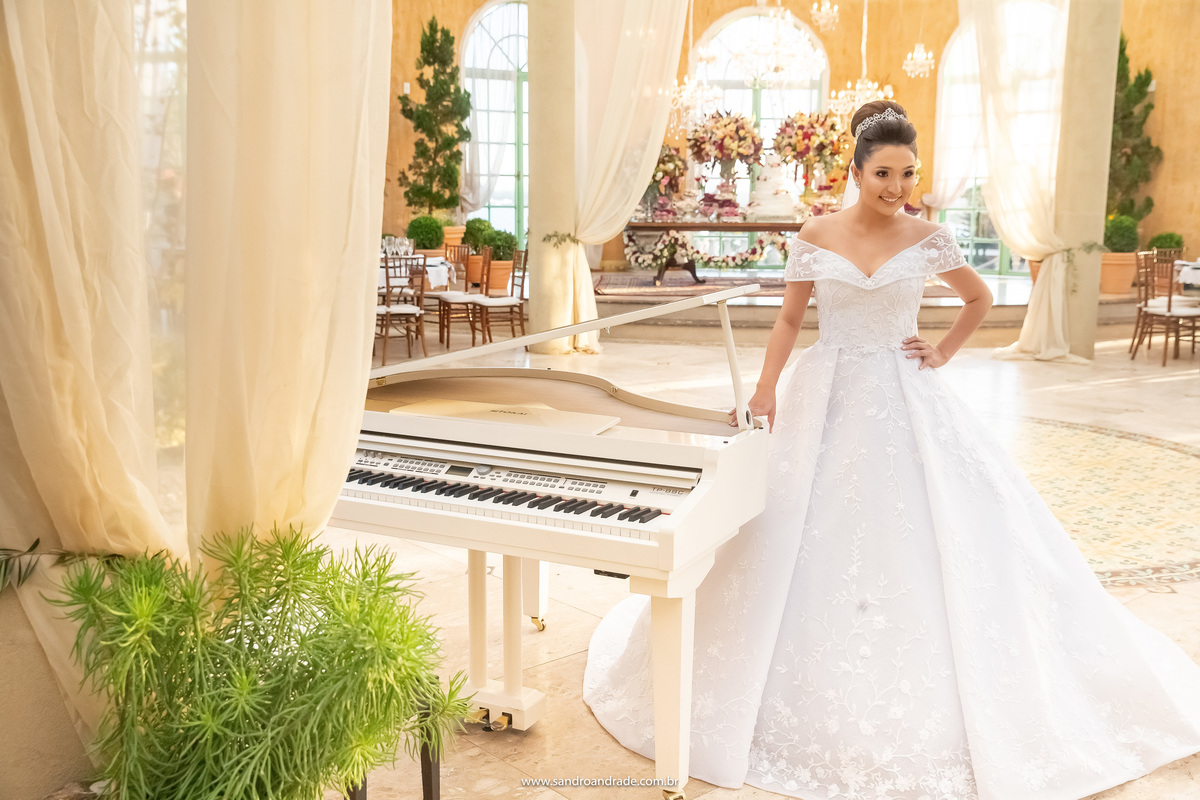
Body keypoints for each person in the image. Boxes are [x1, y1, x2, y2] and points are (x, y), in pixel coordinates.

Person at [583, 100, 1200, 800]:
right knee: (784, 522)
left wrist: (943, 350)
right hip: (827, 388)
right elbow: (789, 319)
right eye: (883, 173)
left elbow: (978, 300)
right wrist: (766, 389)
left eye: (908, 173)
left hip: (906, 395)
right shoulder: (815, 233)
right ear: (855, 170)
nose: (897, 186)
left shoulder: (930, 237)